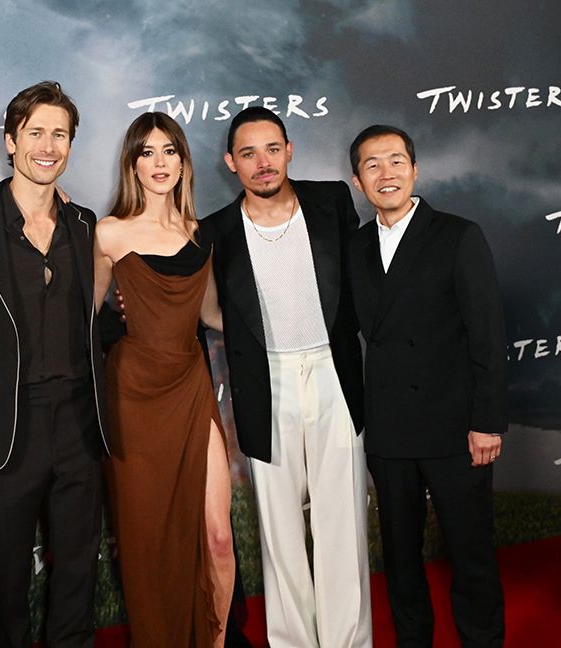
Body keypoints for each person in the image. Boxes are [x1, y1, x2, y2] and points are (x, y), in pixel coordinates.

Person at [0, 81, 110, 648]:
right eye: (35, 133)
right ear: (11, 140)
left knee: (77, 570)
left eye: (59, 134)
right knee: (6, 580)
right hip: (4, 427)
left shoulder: (88, 226)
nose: (48, 145)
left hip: (80, 426)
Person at [202, 107, 371, 647]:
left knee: (342, 525)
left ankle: (348, 641)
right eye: (248, 153)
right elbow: (210, 308)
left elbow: (363, 279)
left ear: (289, 149)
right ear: (231, 163)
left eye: (271, 149)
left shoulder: (331, 202)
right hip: (264, 383)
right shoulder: (217, 231)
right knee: (279, 533)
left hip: (332, 372)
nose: (263, 163)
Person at [348, 124, 507, 647]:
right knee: (400, 560)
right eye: (372, 165)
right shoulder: (354, 247)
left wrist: (486, 423)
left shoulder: (458, 235)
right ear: (357, 180)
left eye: (396, 161)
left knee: (472, 556)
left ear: (415, 170)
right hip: (390, 430)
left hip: (455, 428)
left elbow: (487, 335)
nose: (385, 173)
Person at [93, 112, 234, 647]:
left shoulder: (201, 233)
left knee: (218, 537)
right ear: (132, 162)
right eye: (146, 152)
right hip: (134, 393)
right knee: (148, 540)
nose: (159, 162)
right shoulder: (110, 232)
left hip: (191, 386)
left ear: (183, 160)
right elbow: (87, 315)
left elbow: (215, 315)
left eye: (169, 150)